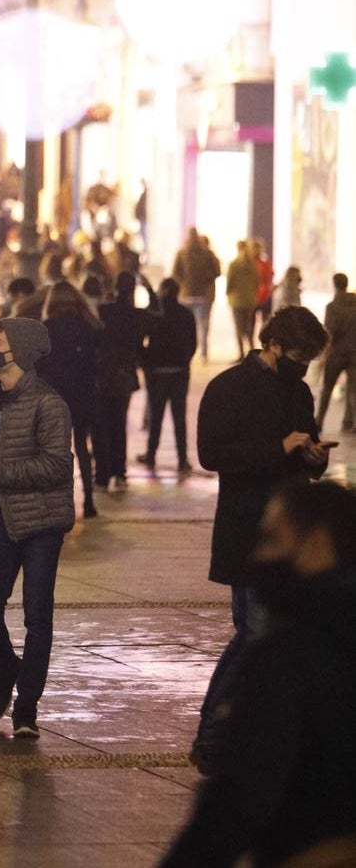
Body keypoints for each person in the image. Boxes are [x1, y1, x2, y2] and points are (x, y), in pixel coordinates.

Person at [160, 481, 356, 868]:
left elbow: (236, 802)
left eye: (271, 539)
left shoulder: (286, 658)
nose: (260, 556)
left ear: (315, 544)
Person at [190, 306, 331, 774]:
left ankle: (236, 736)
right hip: (247, 528)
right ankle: (213, 735)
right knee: (254, 635)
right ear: (274, 344)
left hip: (291, 530)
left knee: (260, 635)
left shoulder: (299, 390)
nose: (303, 364)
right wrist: (279, 448)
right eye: (298, 354)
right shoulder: (228, 387)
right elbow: (211, 455)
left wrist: (311, 455)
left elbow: (306, 455)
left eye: (310, 357)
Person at [0, 316, 74, 740]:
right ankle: (6, 669)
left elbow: (57, 465)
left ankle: (26, 707)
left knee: (37, 616)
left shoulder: (48, 403)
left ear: (17, 351)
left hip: (41, 522)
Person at [37, 281, 103, 519]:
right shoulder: (90, 325)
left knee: (58, 450)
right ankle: (88, 499)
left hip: (56, 396)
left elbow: (39, 365)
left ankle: (60, 502)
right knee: (83, 448)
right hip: (84, 394)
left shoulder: (47, 328)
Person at [97, 271, 154, 492]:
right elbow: (157, 315)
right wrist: (149, 289)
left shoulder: (105, 311)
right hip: (125, 374)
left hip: (103, 373)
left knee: (103, 423)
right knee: (119, 423)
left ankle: (103, 473)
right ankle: (119, 472)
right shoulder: (136, 315)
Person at [136, 278, 197, 476]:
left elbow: (141, 340)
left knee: (156, 415)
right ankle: (182, 459)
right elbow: (193, 342)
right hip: (179, 372)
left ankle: (151, 453)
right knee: (179, 417)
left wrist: (147, 362)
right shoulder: (186, 314)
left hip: (158, 372)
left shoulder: (155, 314)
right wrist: (184, 361)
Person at [172, 228, 221, 361]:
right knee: (203, 324)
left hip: (185, 295)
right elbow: (217, 271)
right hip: (204, 295)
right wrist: (206, 279)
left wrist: (183, 284)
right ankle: (203, 353)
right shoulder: (208, 253)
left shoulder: (181, 253)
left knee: (185, 324)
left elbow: (175, 273)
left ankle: (186, 351)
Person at [317, 271, 356, 433]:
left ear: (335, 285)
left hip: (337, 354)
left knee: (327, 388)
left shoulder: (332, 307)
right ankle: (350, 422)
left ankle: (319, 421)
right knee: (353, 389)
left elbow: (329, 332)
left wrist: (324, 352)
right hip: (354, 353)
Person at [226, 240, 260, 360]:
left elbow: (230, 282)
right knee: (249, 328)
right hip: (250, 300)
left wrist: (228, 294)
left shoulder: (234, 264)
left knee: (239, 328)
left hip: (237, 300)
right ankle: (252, 351)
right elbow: (257, 282)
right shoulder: (253, 265)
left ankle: (241, 354)